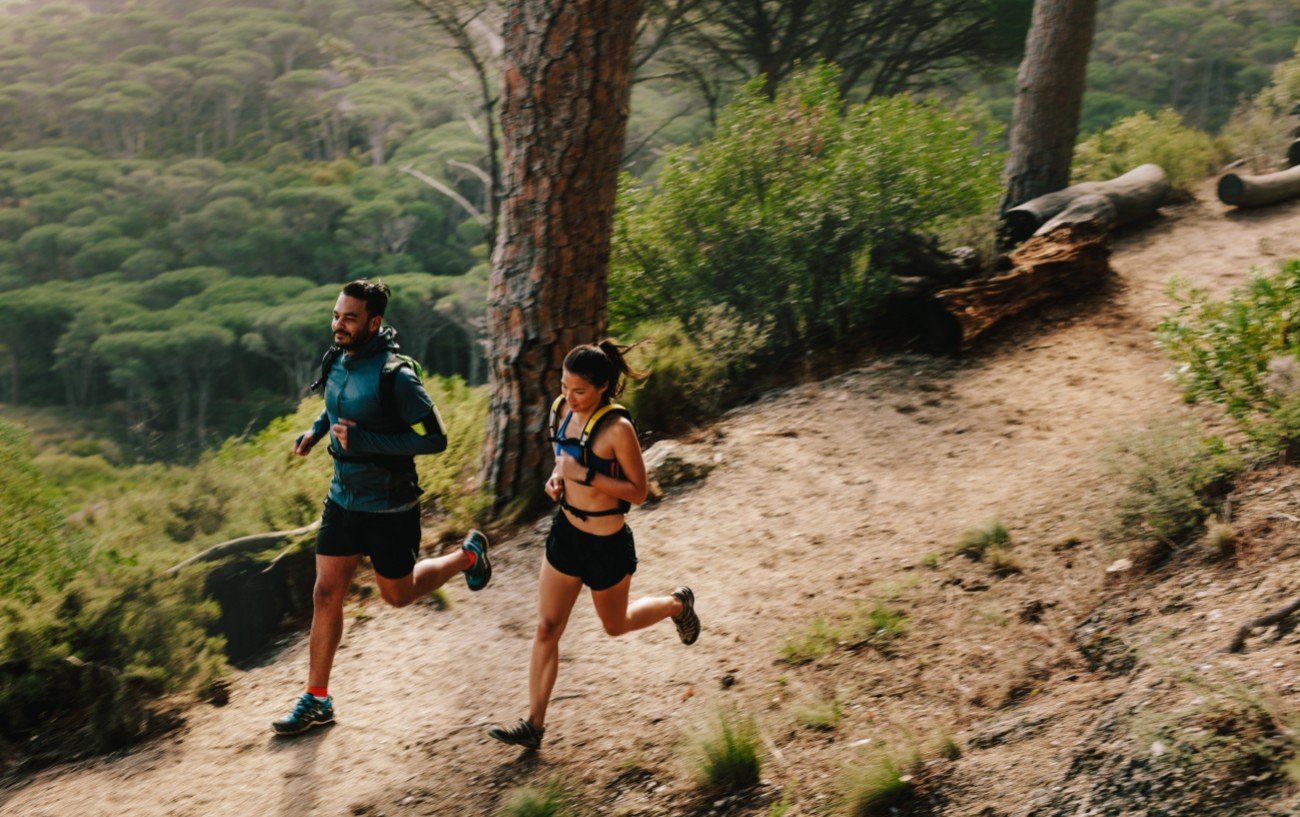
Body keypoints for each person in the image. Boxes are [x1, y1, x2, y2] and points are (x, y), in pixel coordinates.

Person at [272, 279, 492, 736]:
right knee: (325, 593)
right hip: (343, 499)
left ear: (375, 322)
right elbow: (336, 406)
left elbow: (435, 438)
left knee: (397, 594)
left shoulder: (397, 376)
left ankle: (467, 556)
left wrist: (367, 440)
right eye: (336, 315)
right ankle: (317, 699)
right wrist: (316, 432)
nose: (339, 325)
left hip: (391, 506)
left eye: (350, 318)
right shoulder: (339, 359)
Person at [487, 341, 699, 751]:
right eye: (564, 386)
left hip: (606, 544)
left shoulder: (618, 429)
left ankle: (678, 604)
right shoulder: (561, 410)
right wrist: (558, 479)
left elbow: (638, 491)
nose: (569, 397)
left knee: (614, 625)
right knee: (547, 628)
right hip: (566, 534)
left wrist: (583, 475)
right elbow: (564, 459)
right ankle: (534, 724)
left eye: (579, 390)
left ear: (602, 387)